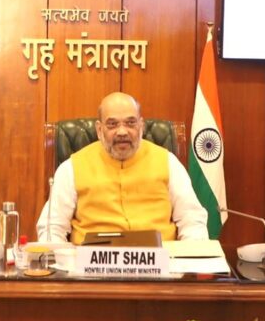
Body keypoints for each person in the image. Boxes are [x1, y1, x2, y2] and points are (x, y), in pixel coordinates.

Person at [36, 92, 209, 243]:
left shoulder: (168, 162)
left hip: (159, 263)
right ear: (99, 129)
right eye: (112, 124)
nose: (122, 132)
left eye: (130, 123)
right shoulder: (72, 168)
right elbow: (52, 228)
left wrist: (189, 263)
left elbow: (192, 221)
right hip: (93, 265)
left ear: (141, 126)